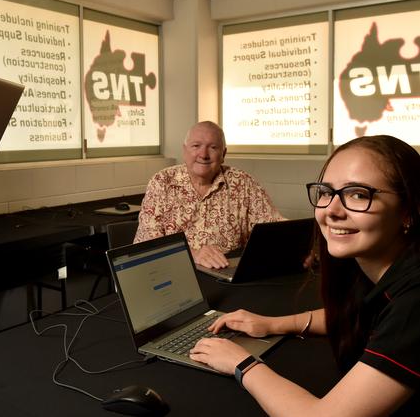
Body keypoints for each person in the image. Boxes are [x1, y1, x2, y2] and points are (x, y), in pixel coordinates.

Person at [189, 135, 420, 416]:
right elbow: (359, 313)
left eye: (358, 194)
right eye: (326, 192)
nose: (332, 210)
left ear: (407, 210)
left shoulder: (414, 300)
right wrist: (272, 324)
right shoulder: (381, 268)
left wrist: (242, 363)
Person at [134, 121, 282, 268]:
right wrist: (193, 254)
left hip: (226, 271)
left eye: (213, 147)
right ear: (184, 151)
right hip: (175, 271)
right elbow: (148, 243)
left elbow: (273, 226)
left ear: (223, 154)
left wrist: (302, 244)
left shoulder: (243, 183)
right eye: (196, 146)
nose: (203, 154)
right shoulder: (162, 182)